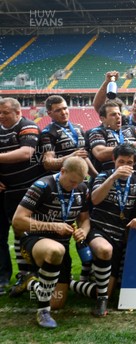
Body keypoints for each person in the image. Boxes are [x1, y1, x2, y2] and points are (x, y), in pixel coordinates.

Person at [11, 157, 90, 328]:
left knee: (57, 303)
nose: (74, 186)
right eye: (71, 181)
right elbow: (17, 221)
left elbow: (85, 220)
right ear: (62, 171)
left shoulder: (82, 189)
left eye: (79, 182)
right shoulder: (42, 186)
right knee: (56, 251)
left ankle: (29, 282)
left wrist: (83, 230)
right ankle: (43, 312)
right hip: (35, 240)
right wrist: (53, 226)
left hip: (62, 245)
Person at [88, 144, 136, 317]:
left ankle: (74, 285)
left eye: (129, 162)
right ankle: (101, 299)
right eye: (121, 161)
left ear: (134, 163)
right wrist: (113, 177)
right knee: (105, 250)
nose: (125, 165)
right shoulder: (103, 175)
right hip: (100, 230)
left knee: (107, 291)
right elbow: (95, 199)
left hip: (120, 236)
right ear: (114, 160)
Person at [0, 97, 46, 296]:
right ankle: (3, 278)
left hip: (28, 193)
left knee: (26, 234)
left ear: (18, 113)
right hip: (4, 193)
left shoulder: (28, 126)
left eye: (5, 112)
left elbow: (26, 153)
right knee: (0, 237)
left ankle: (31, 274)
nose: (1, 116)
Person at [40, 95, 98, 177]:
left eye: (65, 108)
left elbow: (83, 156)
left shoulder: (78, 128)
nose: (63, 113)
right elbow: (48, 163)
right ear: (49, 113)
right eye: (58, 110)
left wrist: (96, 176)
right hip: (62, 180)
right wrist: (72, 156)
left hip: (81, 179)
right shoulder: (48, 133)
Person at [88, 101, 136, 173]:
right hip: (108, 176)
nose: (118, 117)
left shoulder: (130, 129)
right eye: (113, 115)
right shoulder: (97, 132)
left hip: (133, 176)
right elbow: (100, 153)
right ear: (102, 119)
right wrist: (130, 146)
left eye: (119, 114)